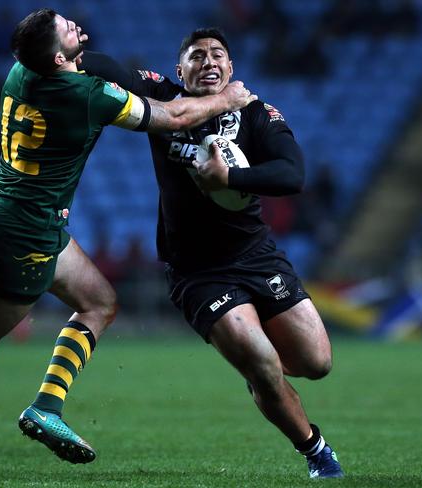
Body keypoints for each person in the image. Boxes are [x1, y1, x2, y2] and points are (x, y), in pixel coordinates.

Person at [0, 10, 257, 478]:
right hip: (29, 232)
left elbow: (87, 67)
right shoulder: (83, 94)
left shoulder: (23, 70)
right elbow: (171, 117)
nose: (79, 27)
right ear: (62, 57)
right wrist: (227, 98)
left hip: (12, 214)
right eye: (69, 30)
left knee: (100, 302)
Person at [81, 28, 344, 479]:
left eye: (218, 55)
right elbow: (107, 70)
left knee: (316, 363)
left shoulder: (256, 112)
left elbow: (292, 173)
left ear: (232, 69)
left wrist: (230, 180)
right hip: (199, 271)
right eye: (196, 56)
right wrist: (70, 52)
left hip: (257, 256)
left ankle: (258, 375)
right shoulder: (163, 96)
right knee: (263, 364)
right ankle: (315, 450)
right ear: (179, 69)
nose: (208, 62)